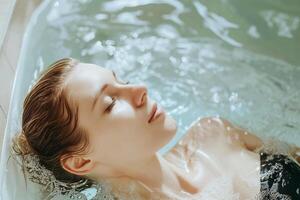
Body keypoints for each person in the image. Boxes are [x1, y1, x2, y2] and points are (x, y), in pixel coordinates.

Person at [12, 57, 300, 199]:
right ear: (80, 161)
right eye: (111, 103)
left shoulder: (214, 132)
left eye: (121, 79)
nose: (140, 89)